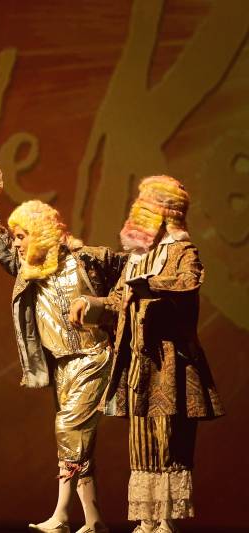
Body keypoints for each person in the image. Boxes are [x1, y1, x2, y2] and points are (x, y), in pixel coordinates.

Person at [0, 155, 123, 533]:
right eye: (16, 236)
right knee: (79, 440)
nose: (16, 243)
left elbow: (127, 282)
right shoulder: (28, 269)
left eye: (22, 236)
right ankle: (92, 519)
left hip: (93, 357)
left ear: (42, 233)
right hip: (61, 363)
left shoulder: (87, 260)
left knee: (68, 428)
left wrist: (99, 305)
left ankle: (63, 514)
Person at [69, 176, 224, 533]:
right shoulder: (136, 259)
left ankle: (165, 520)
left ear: (166, 213)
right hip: (138, 363)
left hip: (170, 364)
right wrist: (90, 305)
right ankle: (147, 519)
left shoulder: (183, 252)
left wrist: (149, 285)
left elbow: (188, 282)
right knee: (141, 442)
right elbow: (117, 301)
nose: (138, 213)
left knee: (169, 439)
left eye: (147, 206)